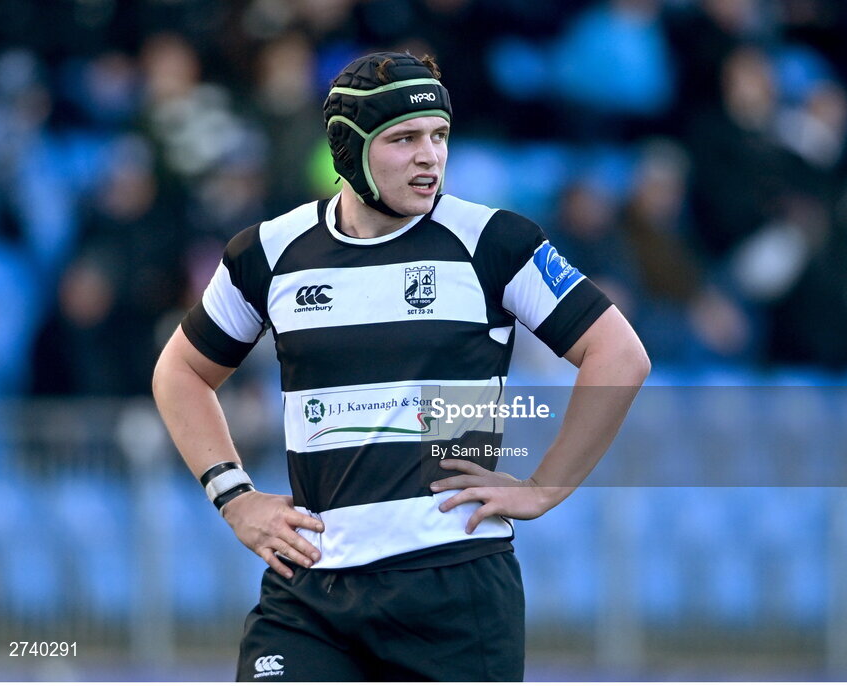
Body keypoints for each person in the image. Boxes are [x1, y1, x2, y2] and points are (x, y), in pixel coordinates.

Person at [152, 51, 649, 681]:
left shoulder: (493, 242)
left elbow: (620, 354)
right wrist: (235, 497)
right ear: (348, 150)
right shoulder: (268, 253)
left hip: (456, 592)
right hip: (310, 590)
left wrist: (545, 487)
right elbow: (181, 372)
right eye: (404, 138)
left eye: (439, 135)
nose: (430, 156)